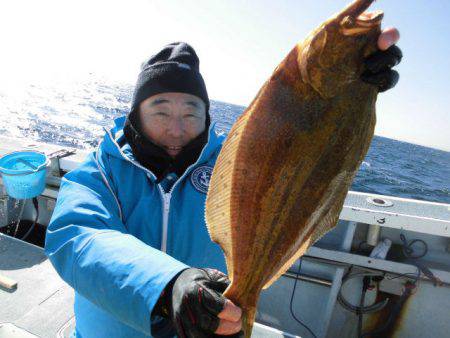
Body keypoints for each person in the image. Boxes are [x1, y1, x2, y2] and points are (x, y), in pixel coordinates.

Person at [45, 27, 402, 338]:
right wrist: (168, 285)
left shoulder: (234, 167)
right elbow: (78, 236)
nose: (176, 128)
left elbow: (304, 147)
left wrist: (353, 90)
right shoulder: (101, 170)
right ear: (135, 113)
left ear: (206, 115)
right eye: (160, 111)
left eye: (191, 112)